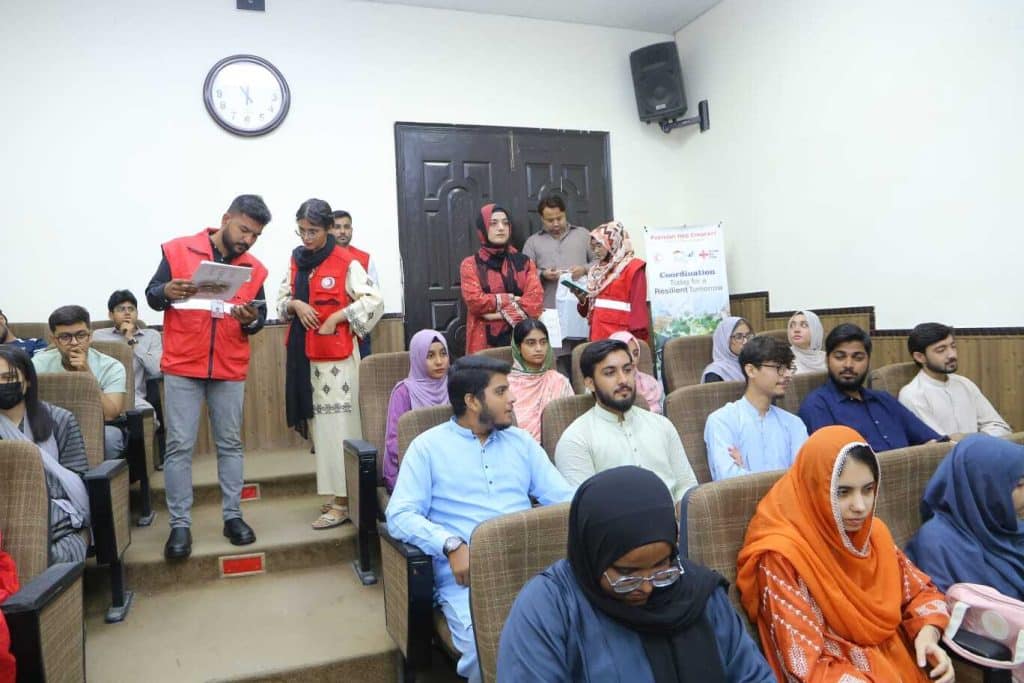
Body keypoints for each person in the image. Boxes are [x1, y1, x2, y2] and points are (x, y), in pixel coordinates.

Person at [386, 355, 574, 682]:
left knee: (578, 634)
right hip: (468, 583)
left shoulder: (521, 443)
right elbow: (399, 514)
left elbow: (565, 499)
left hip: (535, 571)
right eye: (501, 391)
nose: (512, 399)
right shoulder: (427, 448)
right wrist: (450, 543)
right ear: (472, 401)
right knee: (489, 651)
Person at [498, 466, 774, 682]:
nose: (647, 588)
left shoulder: (698, 594)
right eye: (627, 575)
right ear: (592, 556)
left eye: (661, 569)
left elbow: (752, 675)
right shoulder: (548, 609)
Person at [736, 425, 955, 683]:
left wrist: (928, 635)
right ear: (815, 487)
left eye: (868, 489)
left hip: (905, 667)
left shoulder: (873, 535)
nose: (860, 507)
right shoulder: (782, 557)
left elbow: (920, 592)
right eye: (843, 492)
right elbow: (804, 664)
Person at [145, 194, 271, 560]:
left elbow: (259, 318)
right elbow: (153, 295)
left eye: (255, 235)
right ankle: (179, 525)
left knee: (230, 444)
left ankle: (233, 517)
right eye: (244, 230)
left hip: (229, 366)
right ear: (226, 218)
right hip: (184, 363)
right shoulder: (178, 250)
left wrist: (252, 321)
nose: (247, 240)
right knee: (179, 446)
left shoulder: (254, 269)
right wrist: (166, 291)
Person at [279, 199, 384, 529]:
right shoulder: (297, 261)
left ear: (327, 229)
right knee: (321, 431)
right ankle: (338, 494)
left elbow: (374, 300)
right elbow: (281, 300)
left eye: (313, 231)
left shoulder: (346, 262)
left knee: (341, 429)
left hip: (336, 363)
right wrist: (296, 304)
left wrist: (338, 316)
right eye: (302, 231)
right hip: (304, 357)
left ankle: (343, 500)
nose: (306, 238)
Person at [555, 339, 697, 505]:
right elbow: (586, 510)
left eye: (628, 370)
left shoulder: (662, 425)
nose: (623, 379)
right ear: (590, 383)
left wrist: (682, 519)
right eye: (610, 373)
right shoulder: (576, 439)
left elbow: (687, 485)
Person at [0, 347, 91, 564]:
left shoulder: (60, 419)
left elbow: (76, 479)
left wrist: (34, 497)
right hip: (5, 511)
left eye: (8, 377)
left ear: (28, 380)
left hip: (57, 514)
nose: (2, 385)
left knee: (50, 556)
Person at [905, 434, 1024, 599]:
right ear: (983, 488)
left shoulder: (1010, 527)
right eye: (1019, 485)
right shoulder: (937, 544)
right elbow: (943, 611)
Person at [799, 324, 945, 452]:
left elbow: (931, 440)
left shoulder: (884, 400)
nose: (848, 364)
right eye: (840, 357)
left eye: (858, 358)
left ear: (868, 361)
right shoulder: (817, 405)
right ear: (827, 360)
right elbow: (834, 465)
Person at [704, 335, 808, 480]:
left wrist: (744, 473)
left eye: (789, 367)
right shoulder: (722, 421)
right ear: (751, 370)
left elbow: (803, 478)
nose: (788, 374)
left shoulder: (794, 423)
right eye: (779, 368)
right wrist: (785, 479)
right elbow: (728, 481)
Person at [32, 305, 127, 460]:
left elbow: (110, 414)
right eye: (65, 337)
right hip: (51, 426)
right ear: (54, 340)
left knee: (111, 438)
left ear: (90, 336)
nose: (74, 343)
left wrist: (86, 374)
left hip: (97, 426)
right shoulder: (38, 364)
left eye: (81, 335)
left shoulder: (112, 366)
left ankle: (97, 483)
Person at [899, 322, 1011, 439]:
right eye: (941, 350)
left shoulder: (964, 383)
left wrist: (970, 438)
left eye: (953, 346)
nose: (952, 355)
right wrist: (979, 439)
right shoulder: (912, 395)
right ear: (920, 357)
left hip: (984, 452)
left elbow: (1001, 428)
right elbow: (940, 444)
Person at [460, 204, 543, 355]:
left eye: (505, 223)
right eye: (493, 223)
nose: (501, 228)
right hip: (484, 343)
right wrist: (511, 298)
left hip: (522, 341)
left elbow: (535, 302)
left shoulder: (524, 263)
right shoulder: (470, 264)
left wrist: (494, 314)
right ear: (483, 228)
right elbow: (475, 302)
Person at [521, 195, 594, 367]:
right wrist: (542, 274)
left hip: (581, 309)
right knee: (556, 361)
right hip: (550, 311)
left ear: (565, 214)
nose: (555, 224)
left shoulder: (583, 235)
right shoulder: (533, 242)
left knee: (584, 358)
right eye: (549, 220)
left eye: (559, 218)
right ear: (541, 219)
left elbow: (601, 263)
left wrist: (584, 269)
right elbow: (523, 274)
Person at [382, 330, 450, 493]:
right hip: (412, 469)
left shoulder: (454, 385)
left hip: (450, 466)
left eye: (443, 354)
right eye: (430, 356)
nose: (439, 361)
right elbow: (394, 441)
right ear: (417, 358)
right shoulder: (404, 392)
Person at [573, 221, 649, 342]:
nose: (595, 251)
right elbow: (588, 311)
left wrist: (637, 343)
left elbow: (638, 312)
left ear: (613, 243)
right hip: (598, 336)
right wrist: (582, 299)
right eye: (593, 247)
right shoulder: (596, 271)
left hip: (622, 339)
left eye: (599, 245)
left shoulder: (633, 268)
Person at [92, 290, 163, 414]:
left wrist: (131, 339)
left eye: (131, 309)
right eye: (121, 309)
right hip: (103, 395)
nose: (127, 313)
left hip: (135, 399)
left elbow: (156, 369)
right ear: (111, 315)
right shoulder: (98, 336)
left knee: (148, 415)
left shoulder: (152, 336)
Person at [508, 318, 572, 442]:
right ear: (518, 347)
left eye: (543, 342)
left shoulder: (559, 381)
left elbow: (570, 422)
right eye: (531, 343)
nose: (539, 348)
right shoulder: (506, 385)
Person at [331, 209, 380, 359]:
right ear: (329, 230)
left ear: (351, 230)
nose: (342, 231)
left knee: (362, 377)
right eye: (337, 227)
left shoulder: (365, 258)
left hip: (358, 332)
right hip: (330, 330)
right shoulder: (322, 258)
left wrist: (359, 327)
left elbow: (375, 298)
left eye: (346, 227)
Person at [608, 331, 664, 414]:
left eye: (635, 353)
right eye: (626, 353)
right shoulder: (605, 384)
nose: (633, 359)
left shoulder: (649, 382)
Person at [701, 316, 753, 383]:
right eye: (739, 337)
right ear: (724, 340)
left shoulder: (754, 363)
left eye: (748, 336)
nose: (746, 341)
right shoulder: (715, 373)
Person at [788, 309, 826, 374]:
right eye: (792, 325)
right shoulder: (783, 358)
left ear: (816, 331)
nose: (796, 330)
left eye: (804, 325)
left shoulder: (827, 358)